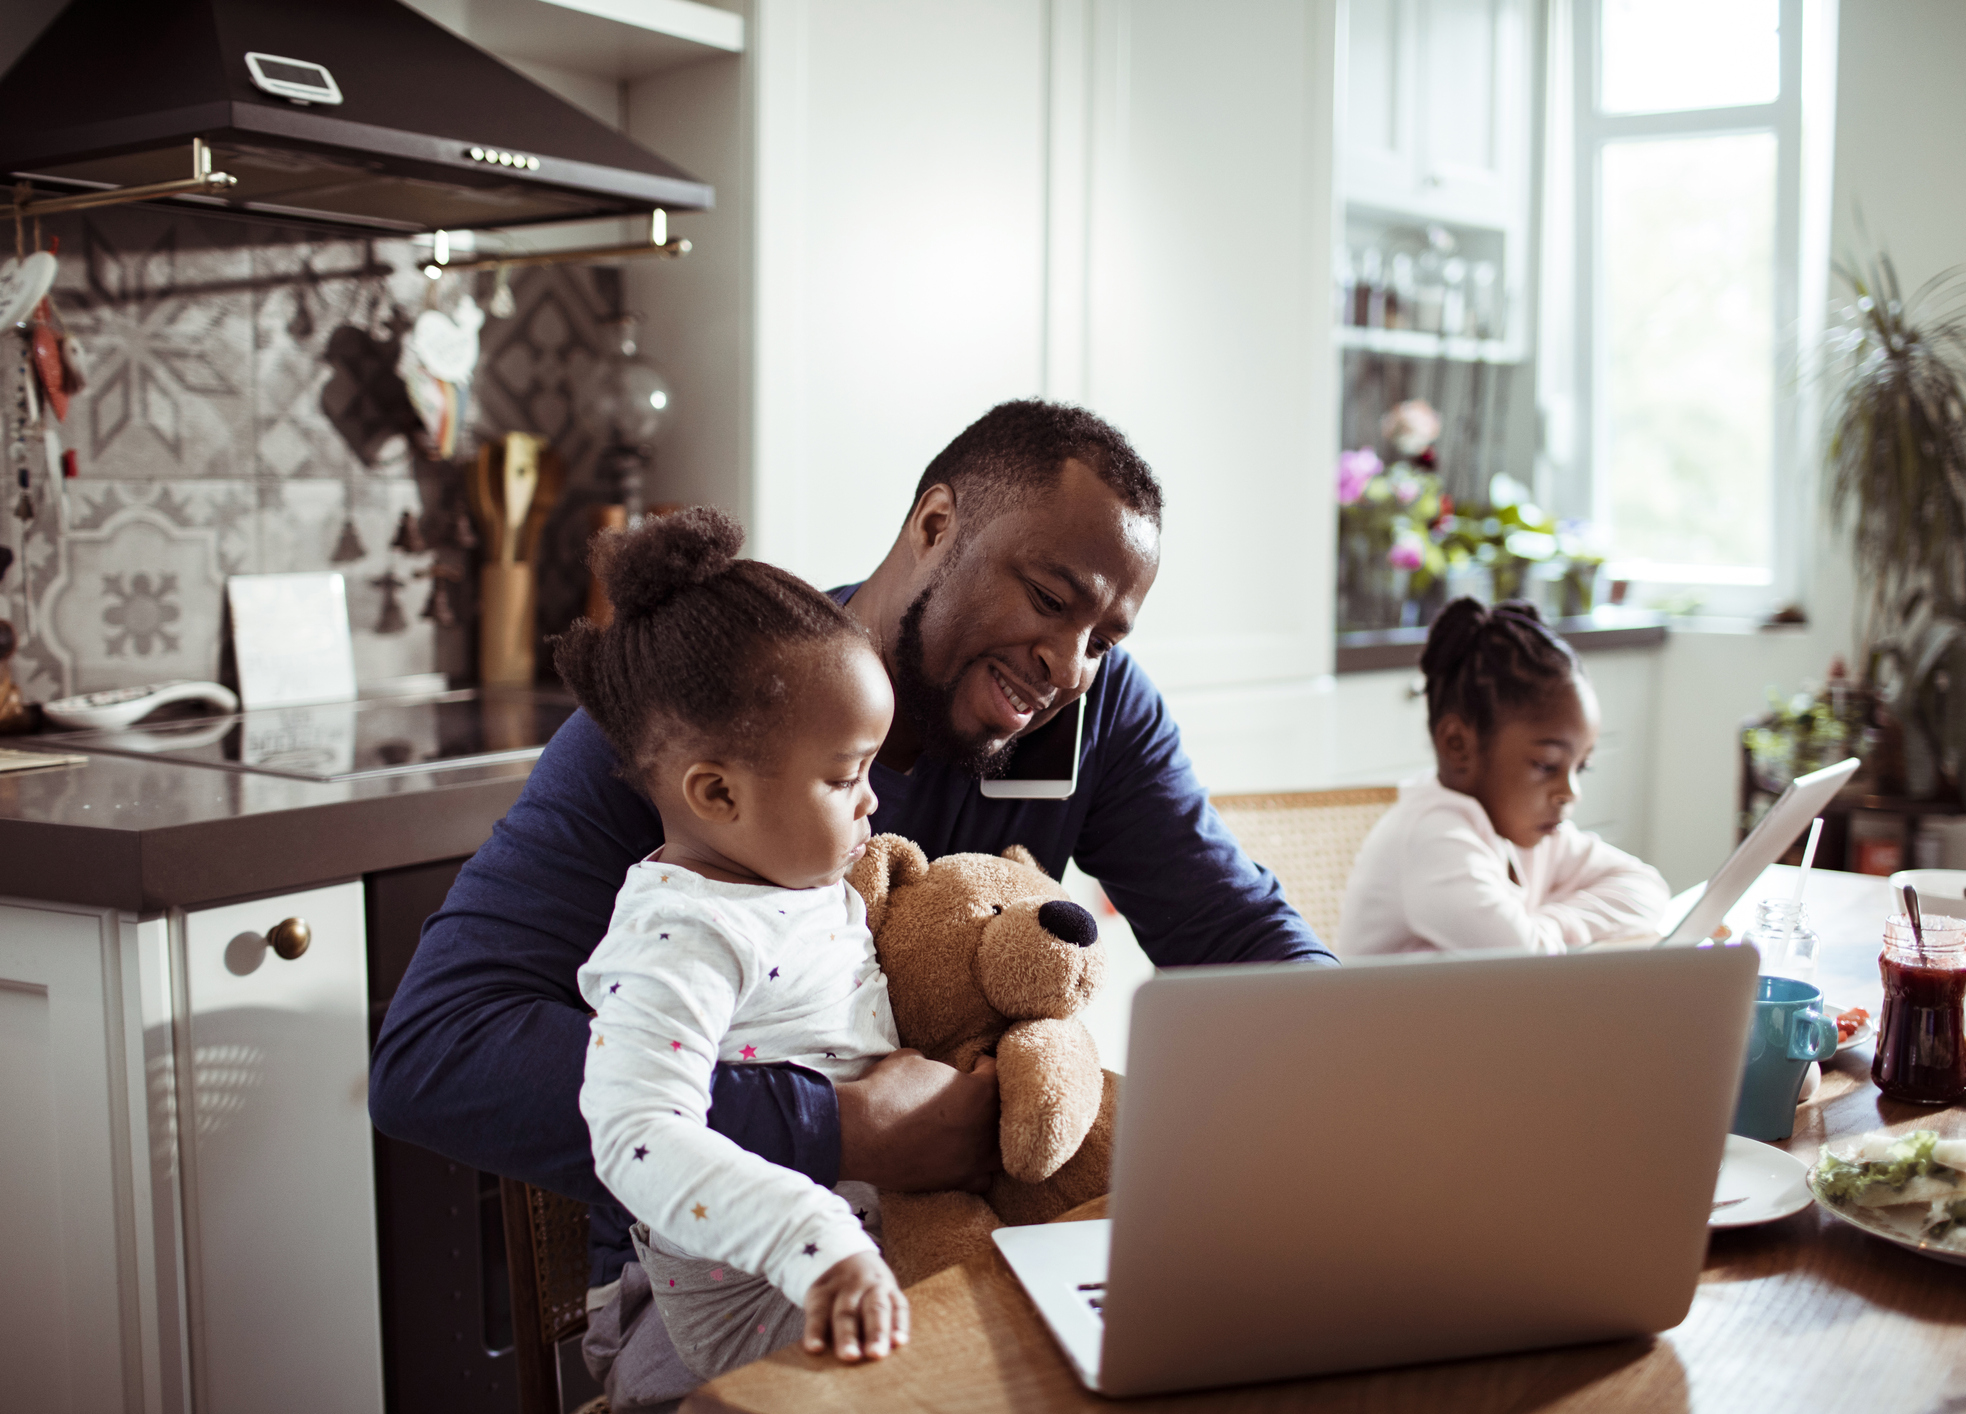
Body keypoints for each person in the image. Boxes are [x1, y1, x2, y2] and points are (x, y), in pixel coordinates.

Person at [369, 399, 1333, 1412]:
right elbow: (437, 1053)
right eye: (1050, 597)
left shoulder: (1095, 714)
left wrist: (1388, 1080)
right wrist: (836, 1126)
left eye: (1104, 634)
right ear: (935, 526)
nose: (1068, 665)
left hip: (959, 1234)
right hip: (730, 1284)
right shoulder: (711, 721)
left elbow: (1237, 935)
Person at [557, 507, 908, 1379]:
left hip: (867, 1255)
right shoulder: (682, 933)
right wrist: (813, 1237)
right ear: (716, 795)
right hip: (758, 1309)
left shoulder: (792, 884)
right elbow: (637, 1130)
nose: (871, 803)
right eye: (844, 777)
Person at [1337, 597, 1668, 956]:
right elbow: (1525, 959)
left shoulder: (1527, 831)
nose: (1570, 793)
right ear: (1457, 744)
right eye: (1546, 765)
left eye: (1581, 767)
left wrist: (1550, 925)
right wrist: (1545, 933)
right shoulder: (1431, 837)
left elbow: (1646, 887)